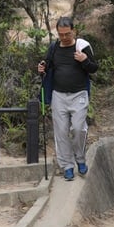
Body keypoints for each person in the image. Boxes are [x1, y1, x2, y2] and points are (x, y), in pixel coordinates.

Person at [38, 16, 98, 181]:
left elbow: (94, 68)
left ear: (74, 31)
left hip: (79, 94)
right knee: (61, 132)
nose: (64, 37)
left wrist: (85, 60)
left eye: (67, 34)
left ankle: (80, 159)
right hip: (58, 95)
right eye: (61, 34)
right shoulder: (54, 47)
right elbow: (47, 65)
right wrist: (41, 68)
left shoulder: (82, 47)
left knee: (78, 129)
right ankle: (67, 166)